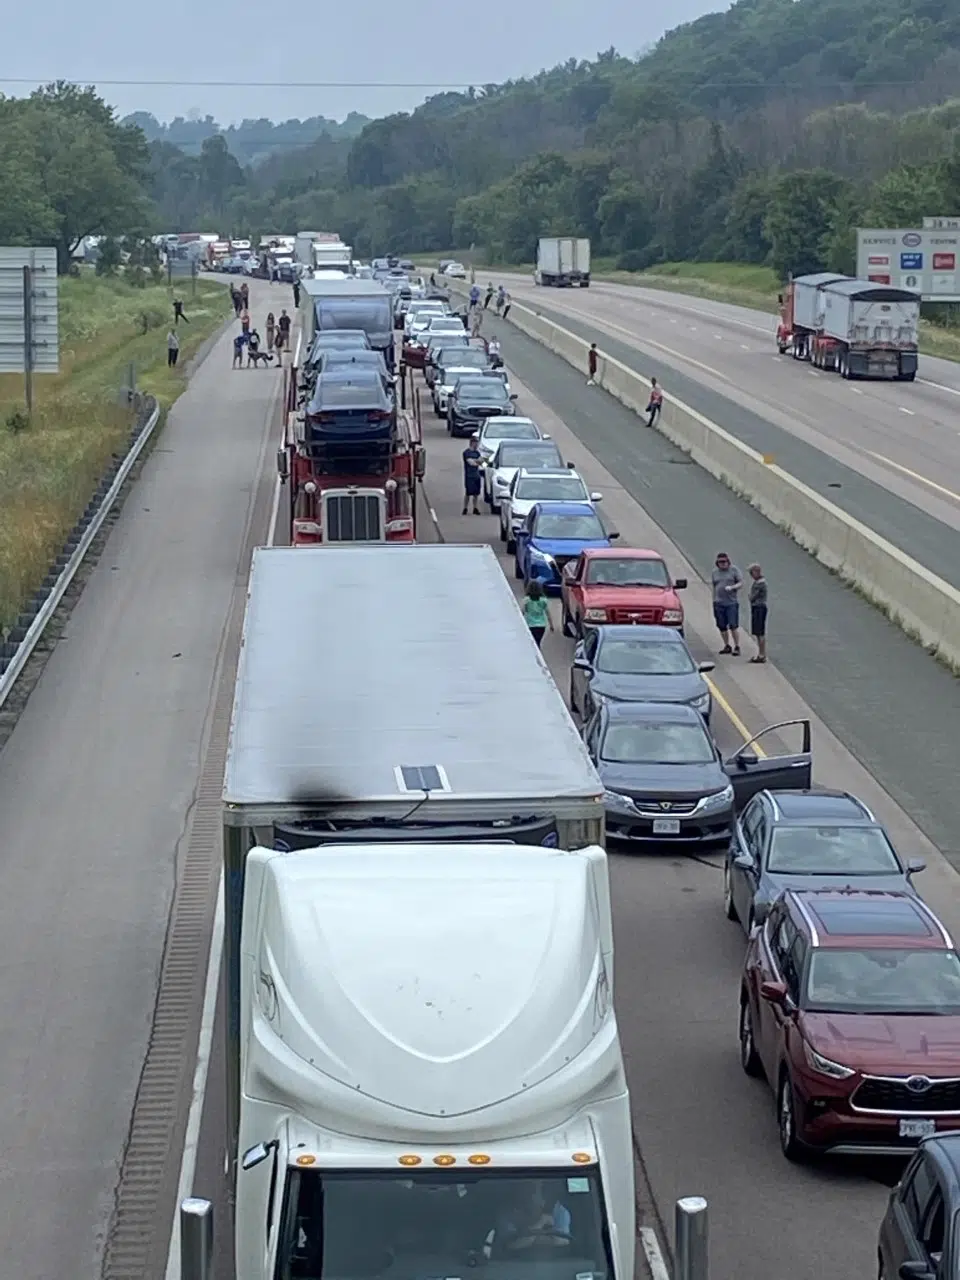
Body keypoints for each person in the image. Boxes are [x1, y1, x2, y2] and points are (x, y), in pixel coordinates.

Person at [483, 1184, 571, 1259]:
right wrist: (540, 1223)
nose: (530, 1196)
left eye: (535, 1192)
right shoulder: (507, 1213)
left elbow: (562, 1242)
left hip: (555, 1265)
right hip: (511, 1265)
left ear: (543, 1199)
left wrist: (527, 1240)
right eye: (529, 1191)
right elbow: (512, 1246)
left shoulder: (559, 1212)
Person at [712, 551, 743, 656]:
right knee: (721, 625)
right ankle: (727, 645)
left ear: (728, 561)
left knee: (733, 625)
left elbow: (740, 583)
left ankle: (737, 646)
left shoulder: (734, 570)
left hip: (731, 603)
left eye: (724, 562)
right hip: (718, 602)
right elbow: (714, 586)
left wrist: (733, 587)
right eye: (720, 562)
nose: (723, 564)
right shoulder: (715, 572)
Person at [523, 581, 553, 649]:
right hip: (541, 625)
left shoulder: (527, 600)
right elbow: (548, 613)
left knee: (533, 642)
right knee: (538, 641)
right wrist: (551, 625)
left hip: (530, 624)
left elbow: (523, 612)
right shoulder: (543, 600)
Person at [748, 563, 768, 663]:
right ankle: (762, 653)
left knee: (759, 632)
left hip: (758, 608)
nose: (751, 575)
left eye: (751, 573)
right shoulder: (761, 582)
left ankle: (761, 654)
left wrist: (750, 596)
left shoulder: (759, 584)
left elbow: (752, 597)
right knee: (759, 632)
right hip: (760, 607)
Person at [462, 434, 483, 515]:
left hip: (477, 475)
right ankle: (465, 508)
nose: (477, 444)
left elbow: (483, 463)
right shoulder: (466, 453)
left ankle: (475, 508)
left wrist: (477, 461)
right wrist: (478, 461)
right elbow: (471, 463)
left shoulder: (477, 453)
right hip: (469, 476)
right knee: (468, 493)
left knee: (476, 494)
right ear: (472, 443)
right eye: (476, 443)